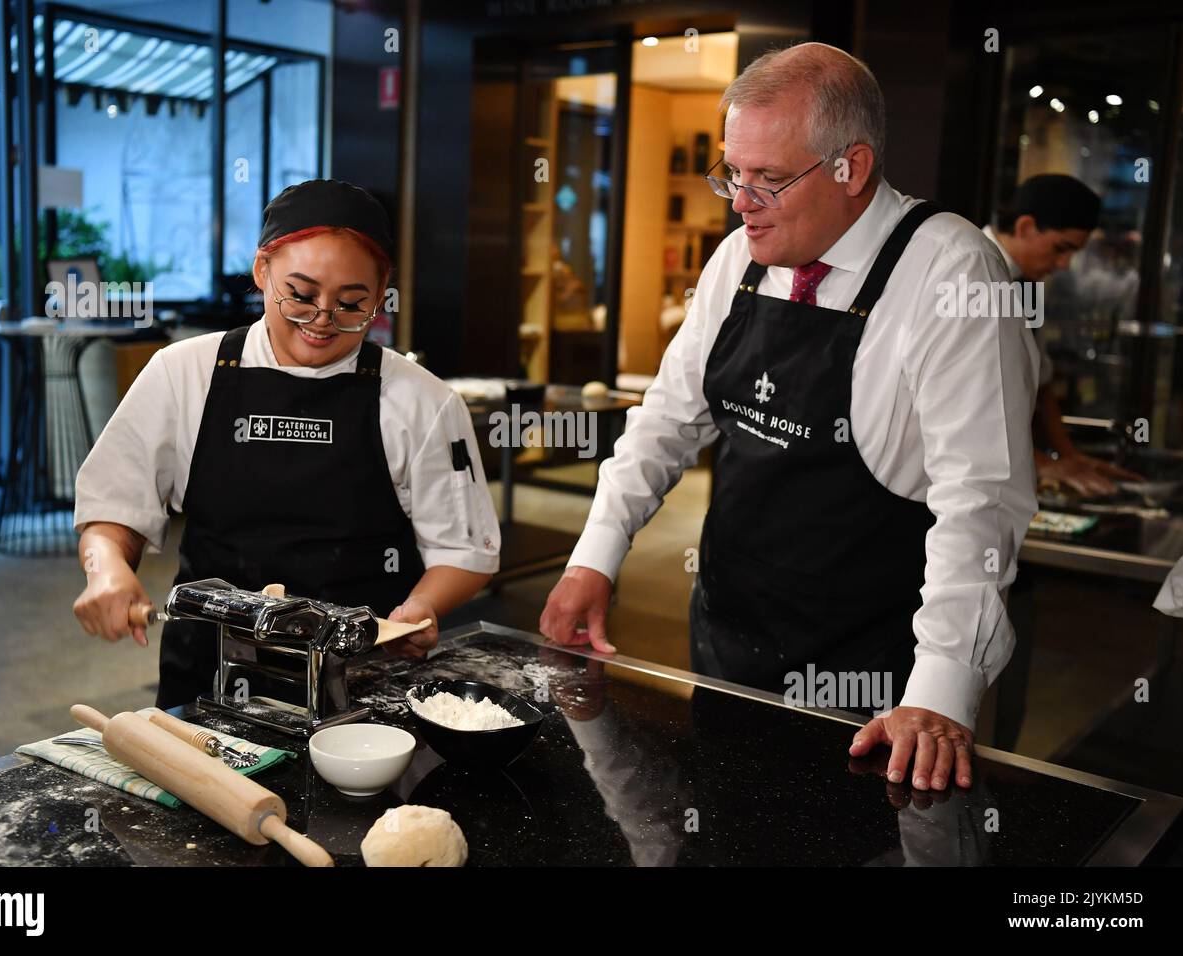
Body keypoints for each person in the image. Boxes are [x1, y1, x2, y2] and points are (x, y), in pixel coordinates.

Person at [540, 43, 1039, 791]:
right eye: (732, 174)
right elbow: (667, 421)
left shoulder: (953, 272)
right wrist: (595, 553)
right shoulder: (738, 259)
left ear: (851, 168)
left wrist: (940, 689)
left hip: (875, 671)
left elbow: (981, 498)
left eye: (768, 179)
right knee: (725, 813)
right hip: (730, 633)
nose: (740, 202)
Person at [73, 179, 499, 708]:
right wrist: (107, 568)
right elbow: (114, 505)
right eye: (300, 295)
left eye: (352, 304)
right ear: (262, 270)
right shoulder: (184, 372)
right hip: (211, 678)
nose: (322, 320)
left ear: (381, 291)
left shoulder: (422, 400)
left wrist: (421, 607)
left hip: (362, 685)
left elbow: (464, 550)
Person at [983, 174, 1142, 497]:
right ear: (1026, 227)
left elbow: (1041, 381)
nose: (1065, 264)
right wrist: (1041, 463)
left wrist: (1069, 456)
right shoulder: (970, 272)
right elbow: (966, 400)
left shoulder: (1025, 285)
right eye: (1061, 248)